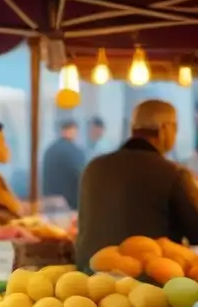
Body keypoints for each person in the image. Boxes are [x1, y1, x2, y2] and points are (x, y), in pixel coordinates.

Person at [76, 100, 198, 269]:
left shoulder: (93, 168)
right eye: (175, 128)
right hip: (147, 284)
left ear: (133, 129)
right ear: (165, 129)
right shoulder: (173, 174)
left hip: (87, 279)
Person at [42, 120, 85, 209]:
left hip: (48, 200)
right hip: (68, 203)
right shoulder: (75, 151)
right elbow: (82, 175)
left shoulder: (49, 150)